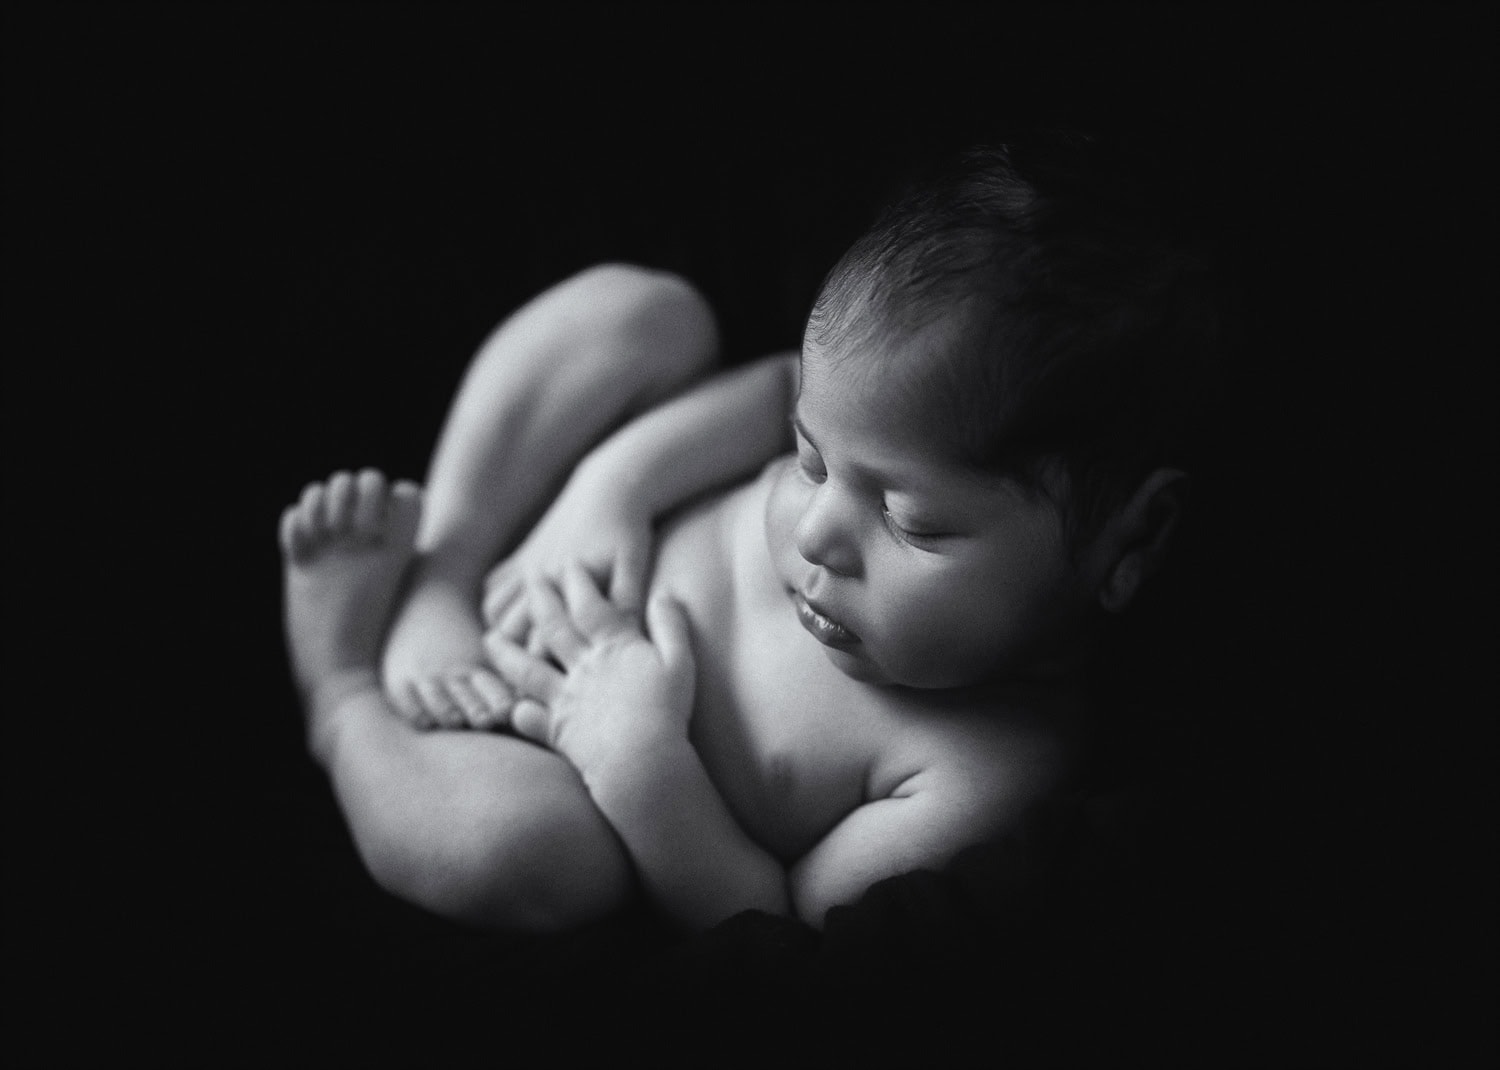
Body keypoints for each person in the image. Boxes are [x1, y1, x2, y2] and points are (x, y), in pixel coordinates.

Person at [279, 141, 1223, 934]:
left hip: (527, 752)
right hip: (534, 552)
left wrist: (637, 757)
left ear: (1128, 540)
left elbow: (771, 918)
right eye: (809, 460)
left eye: (909, 522)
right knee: (643, 314)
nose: (814, 530)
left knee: (537, 860)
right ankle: (446, 558)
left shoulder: (988, 774)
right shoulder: (862, 445)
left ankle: (343, 692)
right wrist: (606, 490)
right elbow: (778, 385)